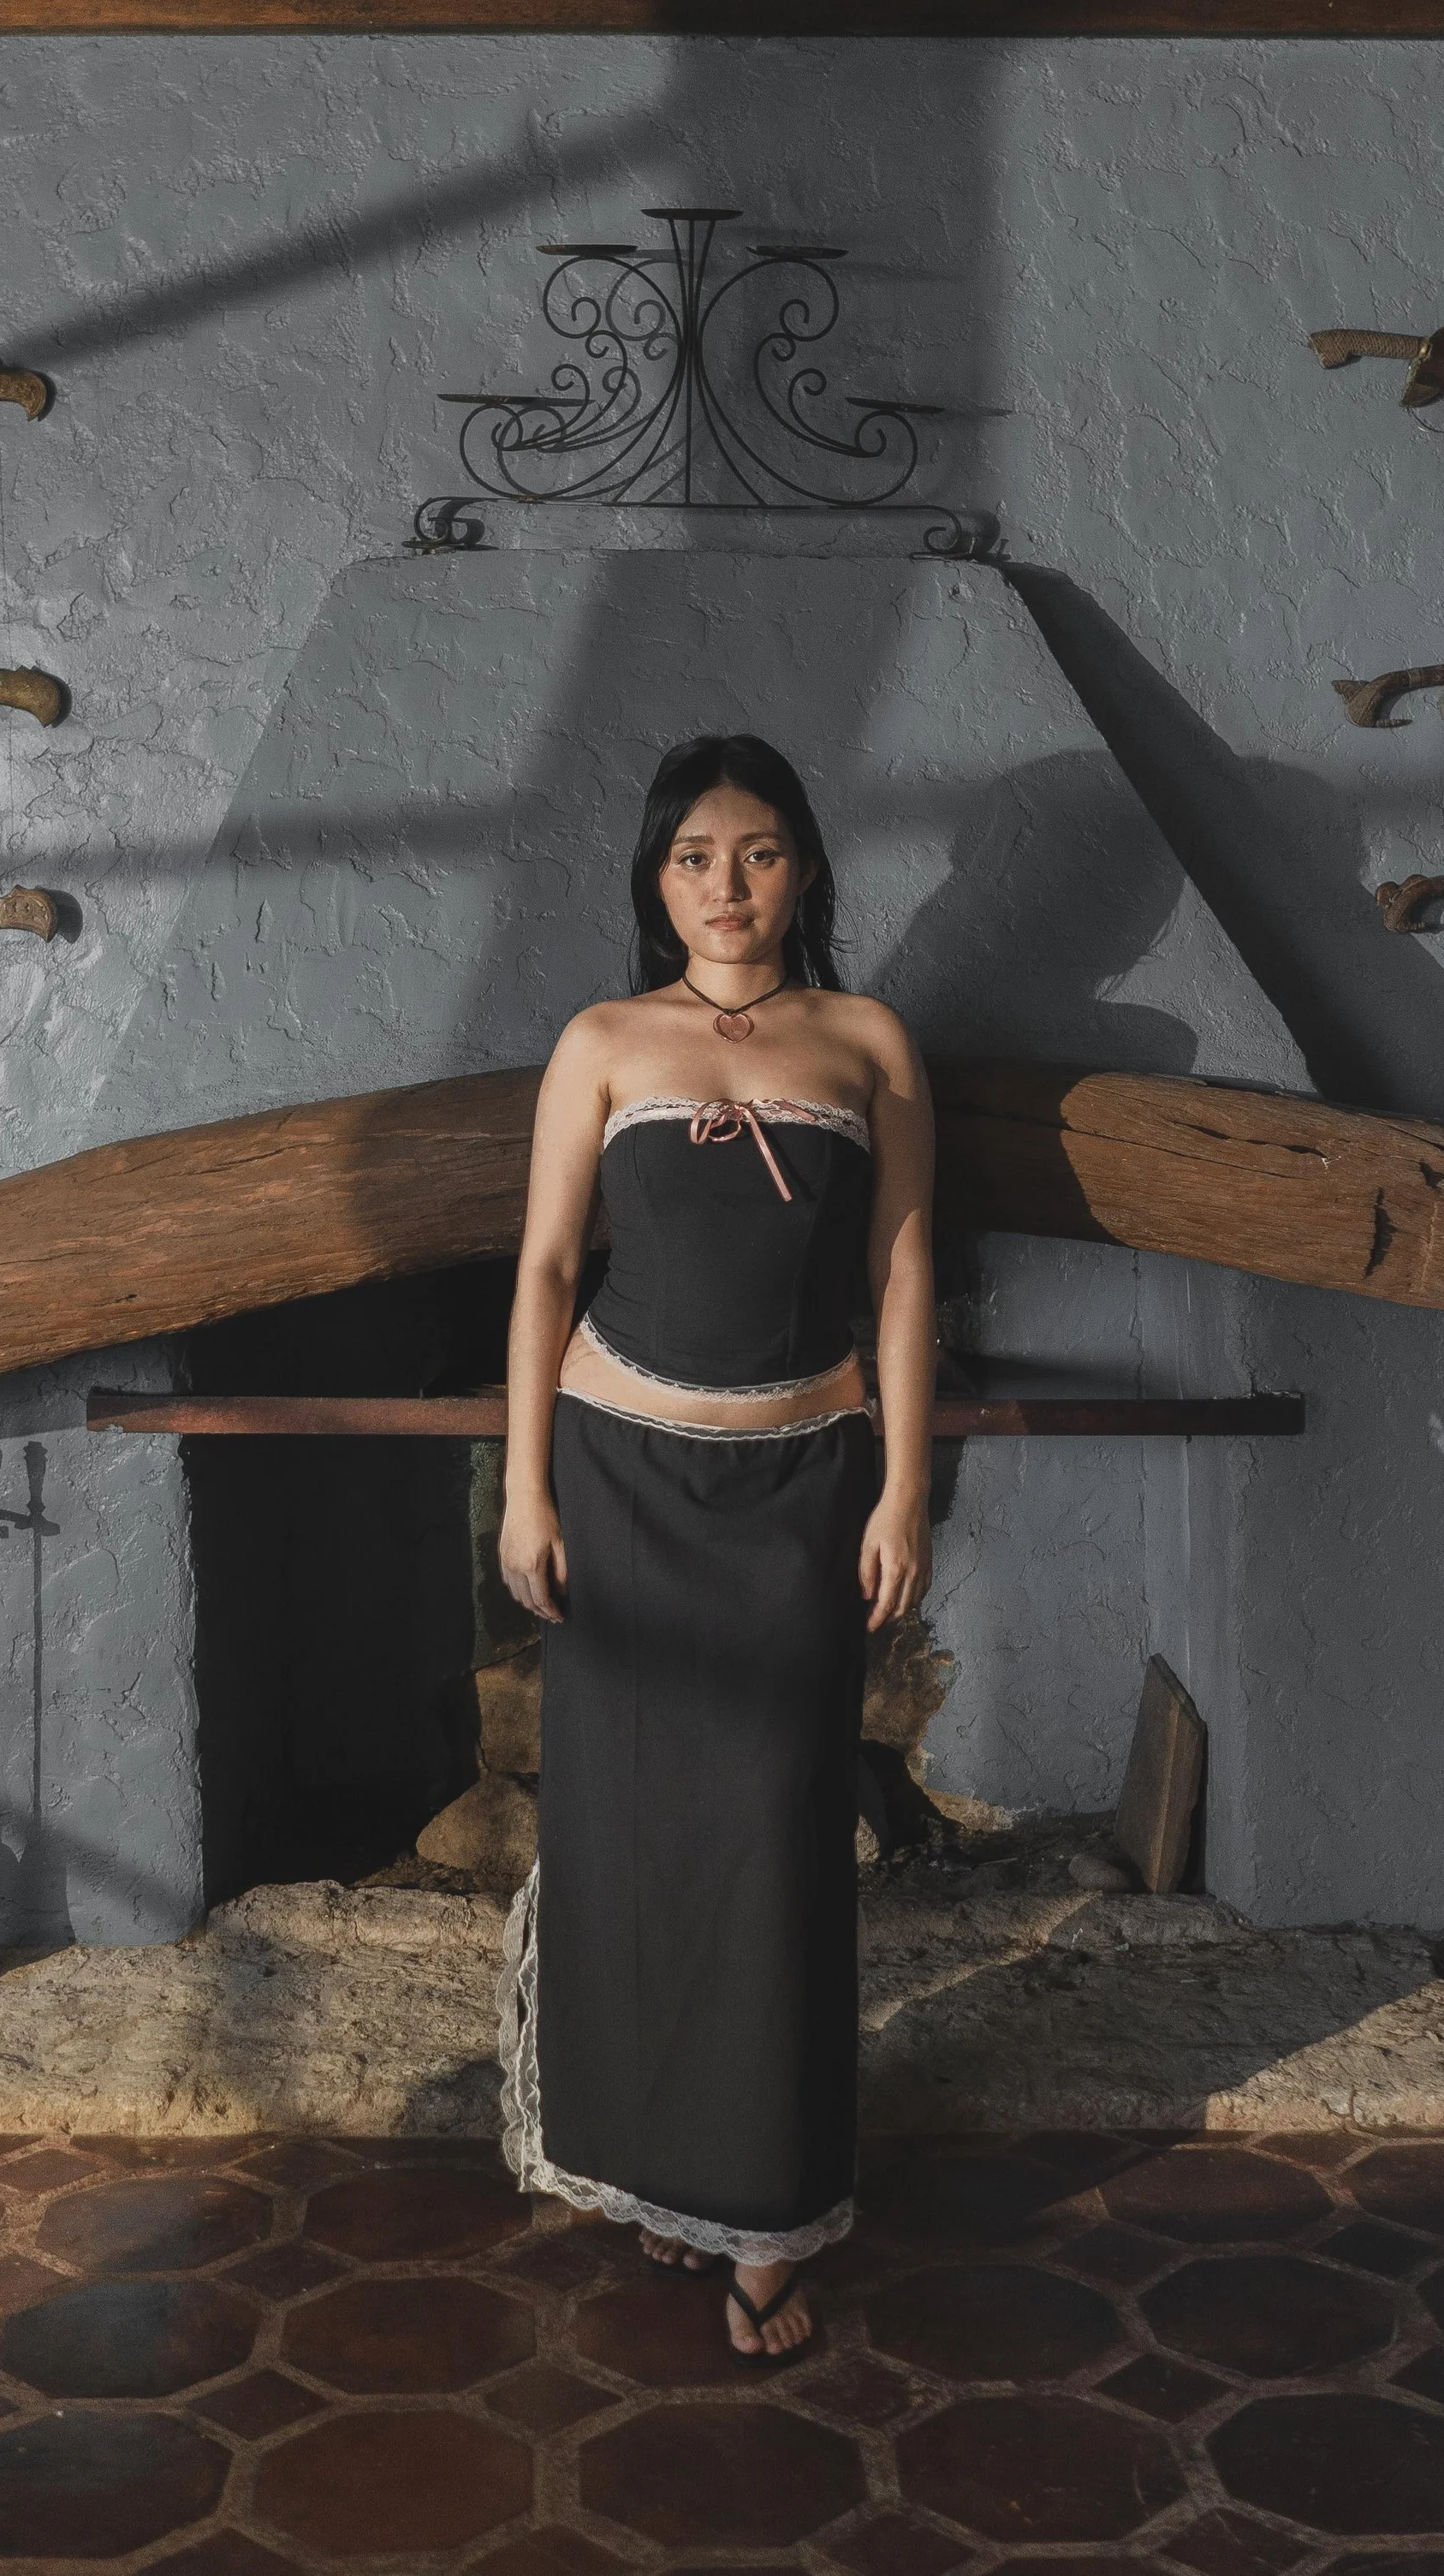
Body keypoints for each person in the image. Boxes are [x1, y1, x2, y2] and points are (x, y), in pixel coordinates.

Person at [496, 732, 936, 2366]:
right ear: (654, 876)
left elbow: (900, 1273)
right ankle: (666, 2188)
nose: (727, 886)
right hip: (615, 1481)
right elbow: (546, 1270)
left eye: (757, 852)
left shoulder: (869, 1039)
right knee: (630, 1845)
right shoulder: (600, 1041)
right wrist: (522, 1488)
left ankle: (769, 2210)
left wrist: (903, 1491)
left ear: (806, 865)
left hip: (799, 1492)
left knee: (771, 1852)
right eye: (694, 855)